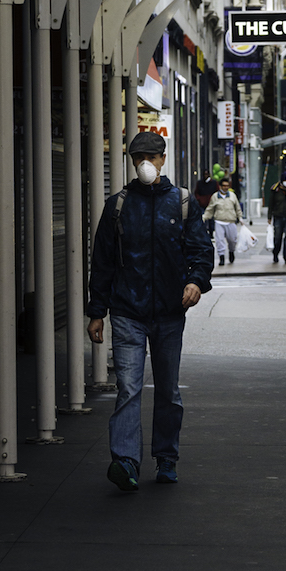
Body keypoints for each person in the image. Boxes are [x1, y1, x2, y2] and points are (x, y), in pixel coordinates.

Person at [86, 132, 214, 492]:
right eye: (138, 156)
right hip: (128, 310)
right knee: (127, 386)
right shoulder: (118, 206)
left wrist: (195, 282)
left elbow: (201, 252)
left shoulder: (184, 203)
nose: (144, 162)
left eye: (150, 156)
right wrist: (97, 311)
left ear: (162, 159)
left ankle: (166, 456)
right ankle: (125, 460)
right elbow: (103, 263)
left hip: (170, 312)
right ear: (131, 160)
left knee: (168, 389)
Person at [202, 177, 243, 265]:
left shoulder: (232, 196)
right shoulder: (215, 196)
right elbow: (210, 209)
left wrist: (240, 218)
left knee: (232, 240)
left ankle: (231, 252)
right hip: (219, 221)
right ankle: (221, 257)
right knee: (219, 240)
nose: (225, 187)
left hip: (231, 221)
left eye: (227, 186)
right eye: (224, 186)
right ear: (220, 186)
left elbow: (237, 208)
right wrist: (204, 217)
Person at [268, 173, 286, 264]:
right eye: (285, 180)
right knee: (277, 237)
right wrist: (269, 217)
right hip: (278, 216)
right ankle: (275, 254)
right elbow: (270, 204)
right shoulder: (275, 190)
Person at [194, 169, 218, 239]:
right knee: (202, 219)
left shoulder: (213, 183)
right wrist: (199, 199)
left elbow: (217, 191)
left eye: (207, 174)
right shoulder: (200, 183)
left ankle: (211, 233)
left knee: (211, 220)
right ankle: (203, 233)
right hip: (202, 204)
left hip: (211, 203)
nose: (205, 176)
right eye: (204, 174)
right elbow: (196, 192)